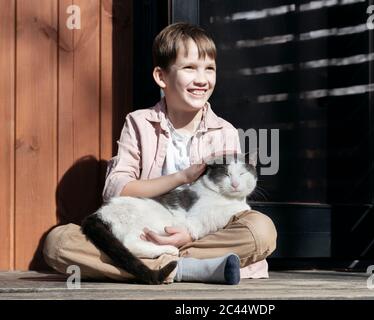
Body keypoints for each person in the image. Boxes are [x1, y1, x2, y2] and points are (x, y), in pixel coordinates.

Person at [43, 22, 277, 284]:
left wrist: (191, 235)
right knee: (59, 243)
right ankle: (189, 268)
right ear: (161, 76)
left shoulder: (225, 131)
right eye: (189, 67)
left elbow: (230, 207)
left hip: (199, 235)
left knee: (262, 230)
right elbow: (115, 190)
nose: (202, 79)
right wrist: (182, 177)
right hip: (144, 231)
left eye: (209, 68)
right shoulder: (139, 122)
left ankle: (164, 265)